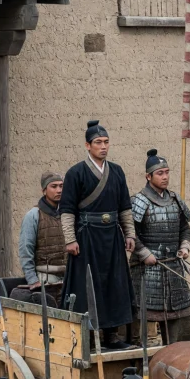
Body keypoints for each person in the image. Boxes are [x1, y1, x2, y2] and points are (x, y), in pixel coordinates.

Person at [61, 120, 137, 350]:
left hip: (112, 238)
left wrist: (130, 234)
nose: (103, 146)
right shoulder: (76, 173)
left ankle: (112, 337)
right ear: (87, 145)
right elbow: (67, 210)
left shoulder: (117, 171)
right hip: (87, 238)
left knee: (113, 283)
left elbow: (125, 207)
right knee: (89, 286)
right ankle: (91, 339)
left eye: (106, 142)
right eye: (98, 142)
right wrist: (70, 239)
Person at [130, 149, 190, 345]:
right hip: (147, 271)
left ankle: (173, 353)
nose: (165, 177)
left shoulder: (175, 200)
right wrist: (144, 253)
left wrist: (184, 247)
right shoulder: (139, 201)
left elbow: (185, 229)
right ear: (148, 176)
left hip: (173, 268)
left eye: (167, 172)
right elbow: (130, 234)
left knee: (175, 317)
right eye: (160, 173)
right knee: (144, 317)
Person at [15, 172, 66, 304]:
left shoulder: (67, 215)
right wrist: (33, 280)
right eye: (53, 186)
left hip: (67, 279)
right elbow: (26, 250)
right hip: (45, 279)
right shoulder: (33, 216)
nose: (59, 190)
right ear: (44, 190)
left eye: (61, 186)